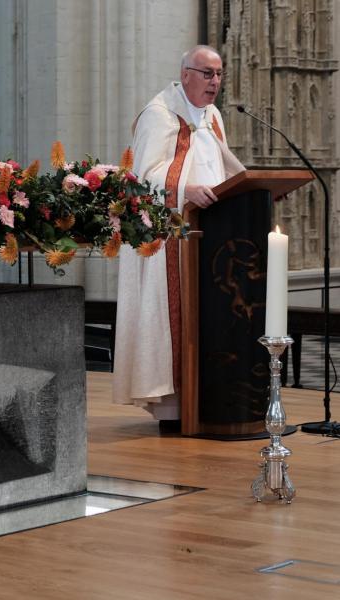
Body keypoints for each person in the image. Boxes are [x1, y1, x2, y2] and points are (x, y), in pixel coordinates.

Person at [113, 45, 245, 424]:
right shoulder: (159, 115)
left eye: (219, 74)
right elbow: (139, 178)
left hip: (213, 235)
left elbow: (222, 164)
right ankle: (173, 406)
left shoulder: (213, 116)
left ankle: (209, 395)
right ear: (184, 73)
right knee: (173, 316)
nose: (215, 82)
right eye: (207, 73)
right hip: (170, 236)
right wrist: (184, 190)